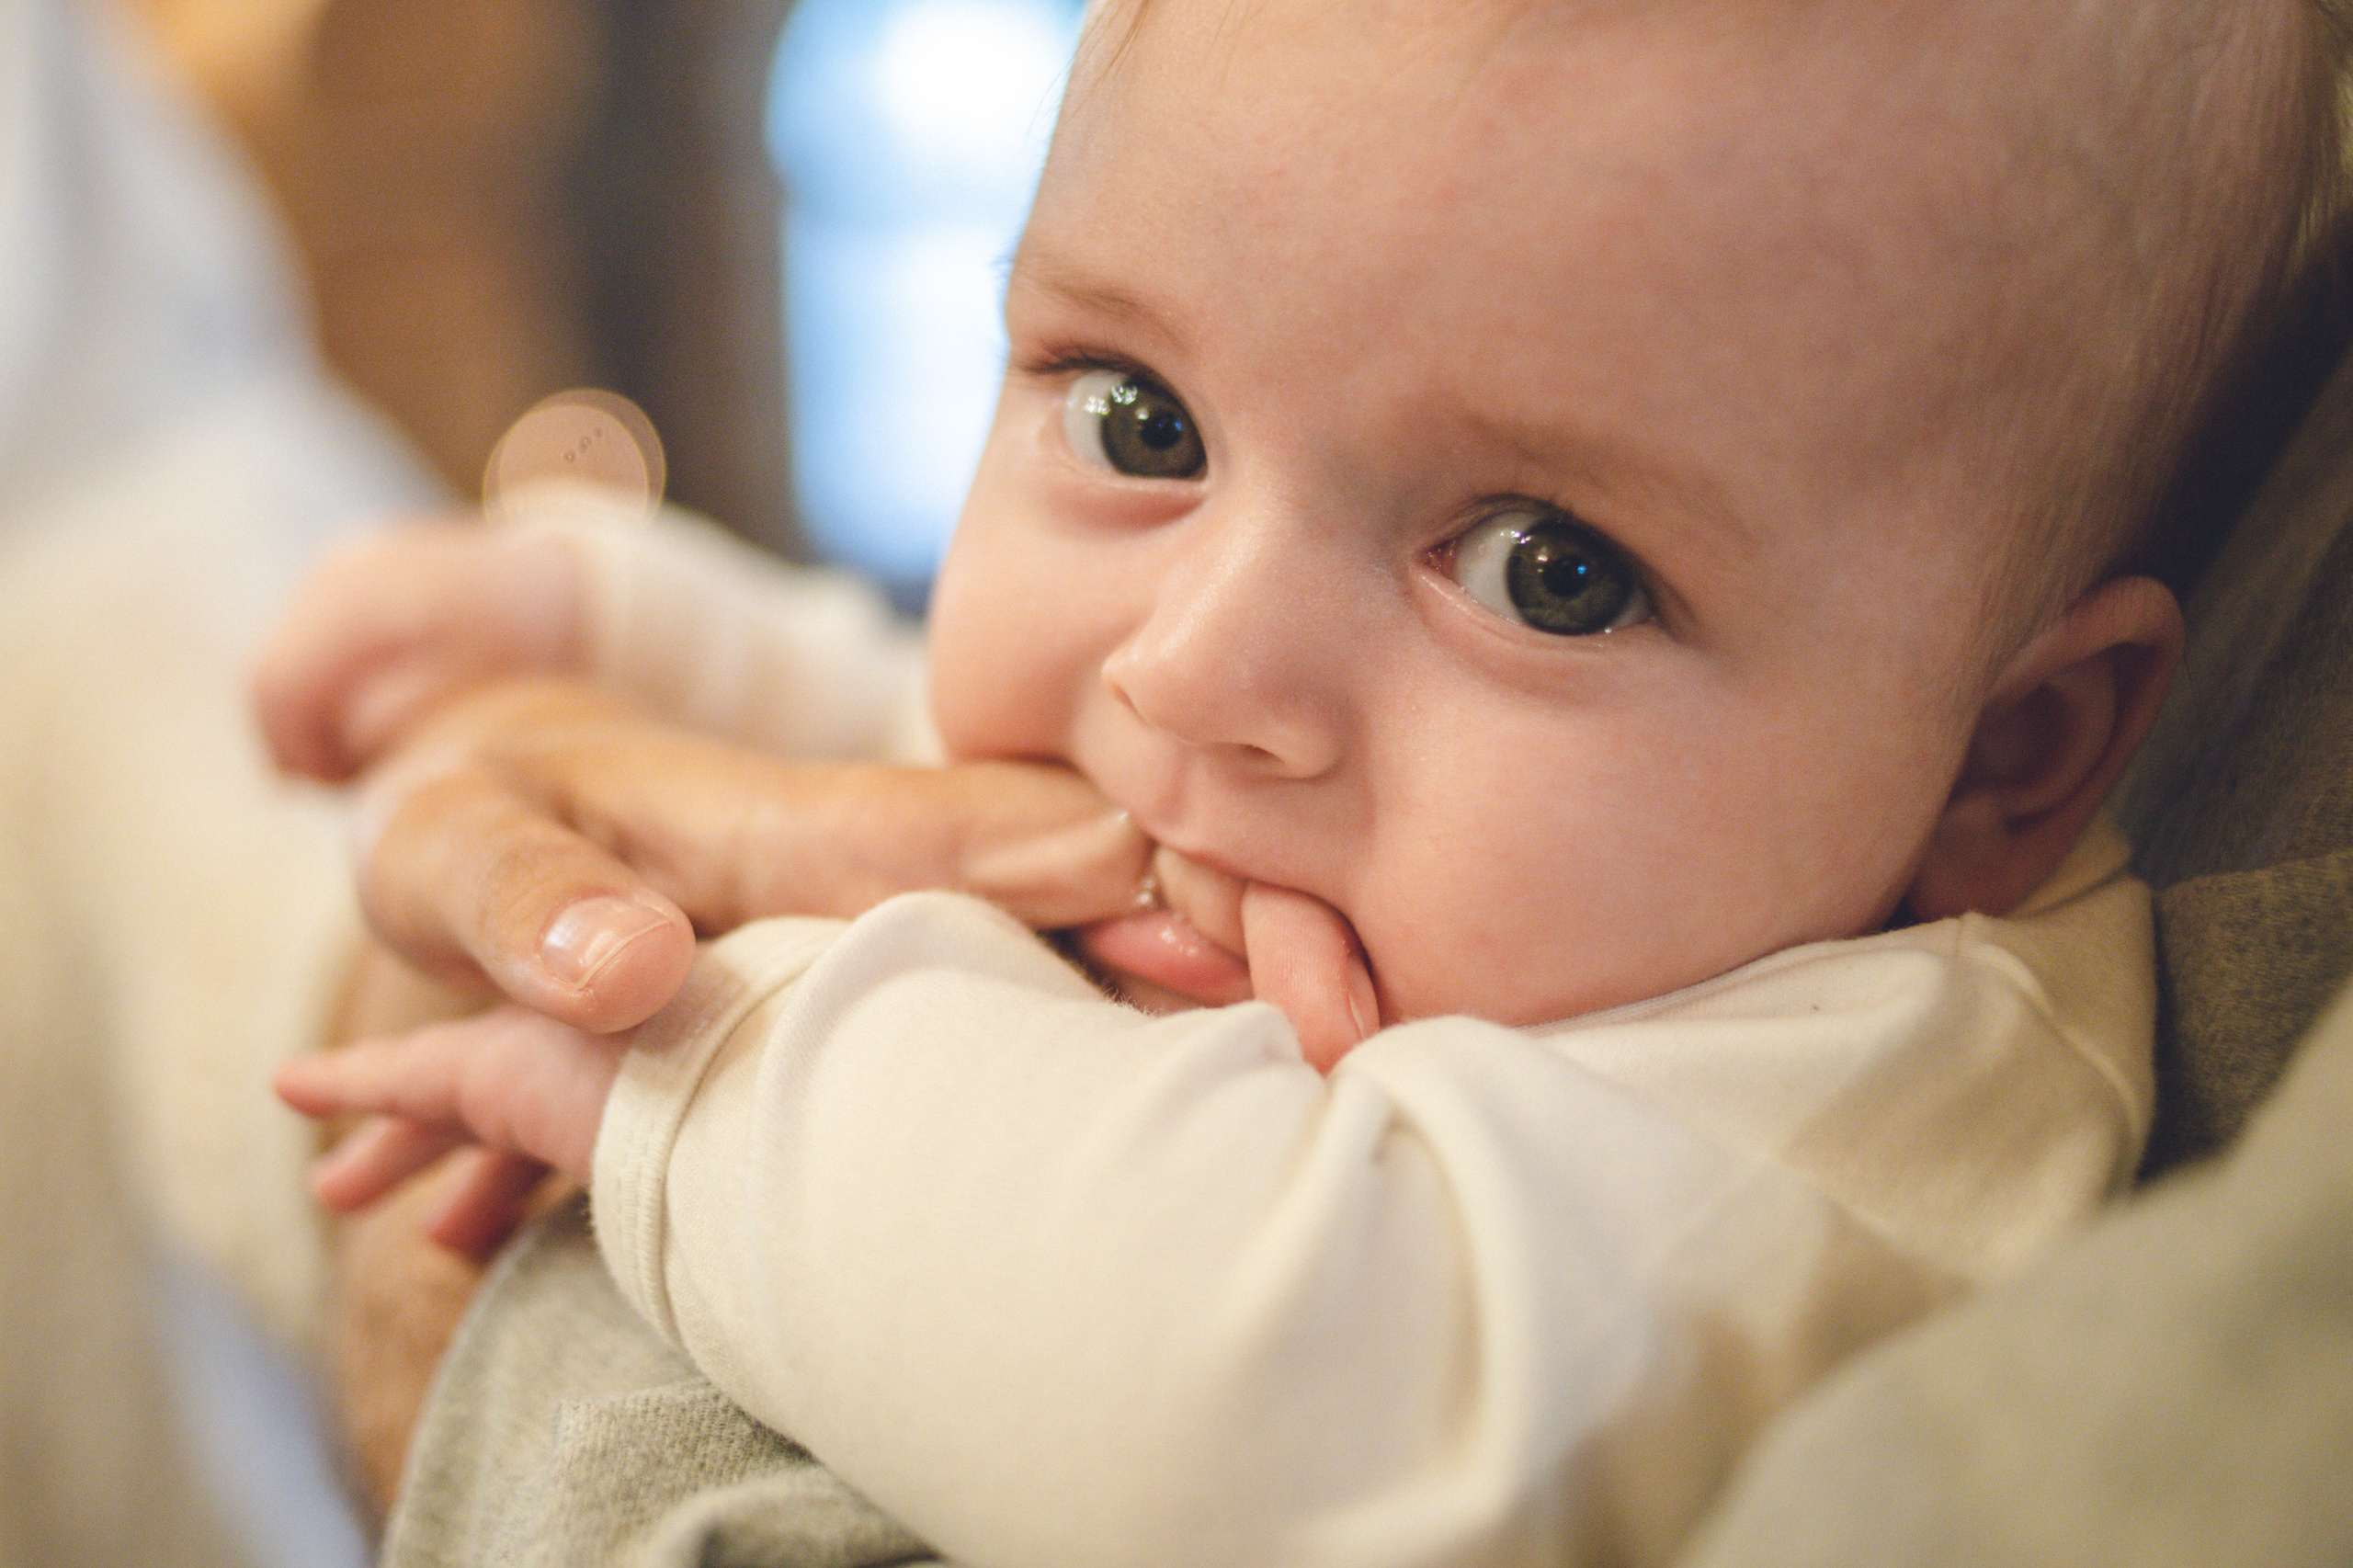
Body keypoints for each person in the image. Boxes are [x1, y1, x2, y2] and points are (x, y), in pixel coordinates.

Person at [261, 0, 2345, 1562]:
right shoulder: (1501, 856)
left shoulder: (1850, 1086)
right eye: (1140, 421)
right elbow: (950, 755)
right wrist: (633, 635)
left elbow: (1214, 1391)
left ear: (2009, 757)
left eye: (1547, 569)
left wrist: (688, 1051)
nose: (1190, 672)